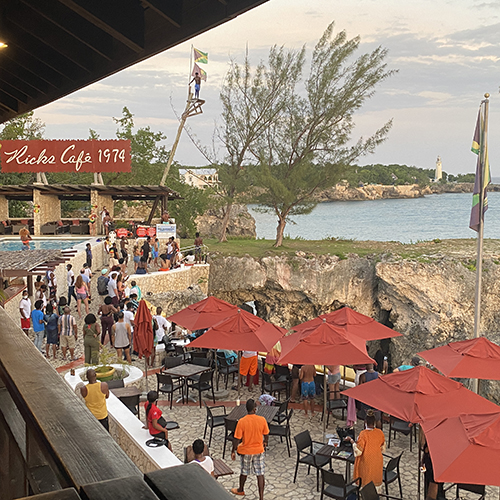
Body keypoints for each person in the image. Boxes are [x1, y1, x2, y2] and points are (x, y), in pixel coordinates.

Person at [230, 399, 269, 499]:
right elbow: (266, 433)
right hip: (259, 450)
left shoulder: (242, 421)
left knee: (244, 472)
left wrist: (233, 450)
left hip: (246, 451)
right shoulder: (262, 420)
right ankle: (261, 497)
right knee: (260, 474)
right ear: (255, 409)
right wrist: (265, 442)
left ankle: (241, 489)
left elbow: (237, 439)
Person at [347, 409, 386, 489]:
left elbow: (358, 452)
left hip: (366, 462)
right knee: (375, 479)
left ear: (365, 422)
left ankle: (364, 494)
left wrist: (352, 441)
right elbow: (382, 448)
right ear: (374, 422)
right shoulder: (380, 433)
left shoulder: (363, 434)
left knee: (365, 479)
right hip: (377, 461)